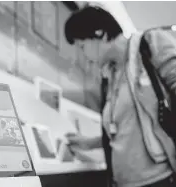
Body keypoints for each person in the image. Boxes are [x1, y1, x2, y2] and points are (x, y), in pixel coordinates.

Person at [64, 5, 176, 187]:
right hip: (122, 183)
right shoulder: (110, 75)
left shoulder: (149, 45)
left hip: (158, 180)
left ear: (99, 33)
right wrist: (88, 143)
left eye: (82, 46)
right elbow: (124, 131)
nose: (83, 55)